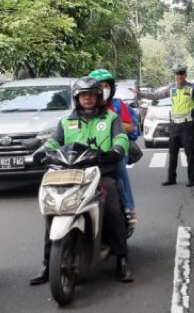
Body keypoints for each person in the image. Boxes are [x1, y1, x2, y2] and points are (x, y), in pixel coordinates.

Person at [29, 77, 134, 285]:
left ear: (98, 97)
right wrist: (42, 151)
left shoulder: (110, 119)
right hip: (69, 173)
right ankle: (47, 263)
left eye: (92, 95)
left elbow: (121, 137)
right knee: (53, 211)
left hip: (100, 171)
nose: (88, 99)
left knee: (112, 208)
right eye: (83, 95)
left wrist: (117, 150)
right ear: (77, 98)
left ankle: (122, 259)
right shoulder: (66, 121)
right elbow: (53, 141)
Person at [131, 65, 194, 187]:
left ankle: (192, 179)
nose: (179, 76)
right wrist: (139, 94)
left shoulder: (192, 88)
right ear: (175, 76)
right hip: (174, 126)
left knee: (190, 154)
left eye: (181, 74)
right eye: (177, 74)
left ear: (185, 75)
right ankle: (171, 178)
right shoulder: (172, 88)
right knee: (172, 153)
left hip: (187, 125)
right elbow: (156, 95)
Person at [88, 69, 139, 228]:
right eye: (98, 85)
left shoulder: (117, 105)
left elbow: (130, 128)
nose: (102, 89)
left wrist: (111, 123)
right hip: (91, 151)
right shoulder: (85, 107)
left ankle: (128, 207)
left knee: (119, 169)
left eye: (105, 85)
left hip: (115, 150)